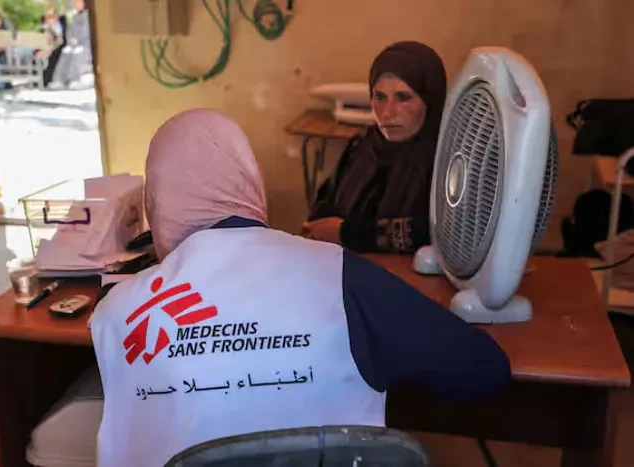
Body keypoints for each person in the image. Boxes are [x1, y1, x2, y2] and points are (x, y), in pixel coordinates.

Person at [89, 109, 511, 466]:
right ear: (249, 181)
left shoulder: (116, 311)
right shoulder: (338, 274)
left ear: (157, 202)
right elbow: (484, 369)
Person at [304, 42, 446, 254]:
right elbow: (326, 201)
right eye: (379, 97)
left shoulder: (447, 160)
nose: (387, 113)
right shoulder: (364, 145)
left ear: (430, 100)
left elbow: (438, 233)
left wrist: (348, 233)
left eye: (403, 98)